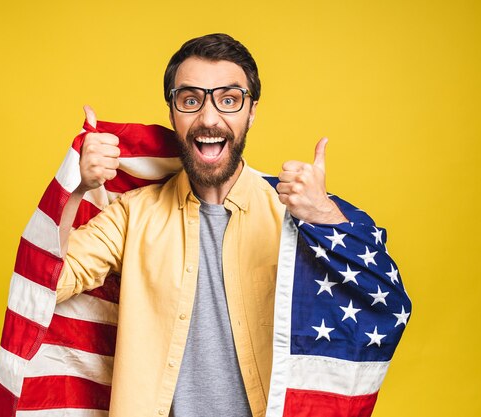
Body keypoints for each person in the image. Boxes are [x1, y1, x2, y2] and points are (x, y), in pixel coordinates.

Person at [54, 33, 408, 417]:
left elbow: (384, 298)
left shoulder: (298, 214)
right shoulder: (133, 214)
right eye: (191, 100)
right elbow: (46, 282)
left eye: (228, 100)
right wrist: (75, 189)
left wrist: (323, 215)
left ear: (251, 111)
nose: (209, 118)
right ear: (172, 112)